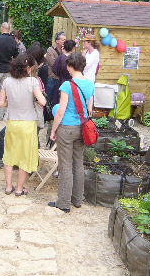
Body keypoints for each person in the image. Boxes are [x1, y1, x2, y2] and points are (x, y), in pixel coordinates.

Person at [49, 53, 94, 212]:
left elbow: (60, 111)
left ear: (70, 66)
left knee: (65, 165)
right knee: (78, 163)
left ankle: (63, 202)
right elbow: (89, 109)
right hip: (82, 128)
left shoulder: (67, 85)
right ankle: (77, 199)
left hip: (67, 128)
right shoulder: (90, 84)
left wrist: (53, 130)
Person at [0, 54, 46, 196]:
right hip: (28, 123)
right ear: (29, 68)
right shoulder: (33, 82)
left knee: (9, 154)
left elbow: (1, 104)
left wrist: (11, 102)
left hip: (12, 122)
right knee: (24, 156)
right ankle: (19, 189)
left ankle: (8, 186)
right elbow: (42, 101)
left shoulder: (7, 81)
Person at [0, 22, 18, 90]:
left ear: (1, 29)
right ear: (9, 30)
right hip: (7, 69)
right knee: (4, 91)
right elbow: (15, 57)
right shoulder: (13, 41)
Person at [51, 39, 77, 104]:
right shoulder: (75, 58)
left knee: (61, 101)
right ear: (73, 48)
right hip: (73, 82)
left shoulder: (61, 57)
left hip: (61, 81)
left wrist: (60, 74)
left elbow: (54, 69)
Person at [45, 31, 66, 106]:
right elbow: (54, 65)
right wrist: (63, 56)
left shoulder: (66, 50)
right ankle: (47, 116)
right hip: (53, 79)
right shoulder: (50, 50)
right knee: (48, 99)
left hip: (62, 79)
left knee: (59, 101)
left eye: (65, 40)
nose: (65, 42)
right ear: (57, 41)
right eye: (63, 40)